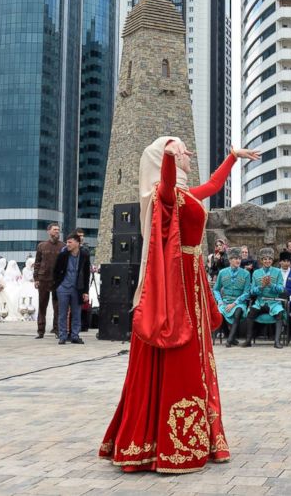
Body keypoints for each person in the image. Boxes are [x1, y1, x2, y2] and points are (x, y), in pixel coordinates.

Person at [100, 137, 258, 473]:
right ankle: (168, 444)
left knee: (199, 354)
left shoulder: (188, 195)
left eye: (185, 149)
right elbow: (168, 182)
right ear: (163, 158)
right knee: (181, 350)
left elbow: (214, 185)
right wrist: (170, 159)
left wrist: (232, 157)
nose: (188, 153)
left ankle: (203, 436)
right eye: (180, 149)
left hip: (194, 279)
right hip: (177, 278)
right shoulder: (165, 195)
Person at [239, 248, 286, 349]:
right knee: (250, 313)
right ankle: (248, 340)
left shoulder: (277, 272)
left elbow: (281, 289)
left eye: (269, 259)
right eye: (265, 259)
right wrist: (261, 287)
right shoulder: (256, 273)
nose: (267, 261)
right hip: (260, 301)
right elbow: (252, 291)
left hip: (274, 302)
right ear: (261, 260)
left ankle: (277, 341)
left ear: (272, 260)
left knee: (280, 314)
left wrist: (270, 285)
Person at [52, 234, 91, 345]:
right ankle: (62, 336)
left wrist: (85, 291)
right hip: (63, 288)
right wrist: (57, 286)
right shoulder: (63, 255)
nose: (67, 244)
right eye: (67, 242)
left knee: (76, 313)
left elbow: (86, 274)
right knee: (62, 313)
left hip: (77, 288)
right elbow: (55, 271)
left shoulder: (84, 255)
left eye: (70, 242)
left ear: (77, 243)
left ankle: (75, 336)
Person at [214, 252, 251, 347]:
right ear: (230, 260)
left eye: (239, 258)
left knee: (238, 312)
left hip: (238, 302)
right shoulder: (222, 272)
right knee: (220, 314)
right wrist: (220, 301)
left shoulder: (246, 273)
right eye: (235, 258)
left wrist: (235, 303)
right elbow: (216, 289)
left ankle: (229, 340)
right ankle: (231, 337)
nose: (238, 260)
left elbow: (247, 292)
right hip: (225, 302)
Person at [34, 223, 63, 339]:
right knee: (42, 306)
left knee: (58, 307)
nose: (57, 231)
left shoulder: (63, 246)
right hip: (43, 279)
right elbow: (37, 263)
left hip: (57, 281)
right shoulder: (41, 246)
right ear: (48, 231)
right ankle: (40, 331)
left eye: (58, 230)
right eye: (55, 229)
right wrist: (36, 278)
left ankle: (57, 330)